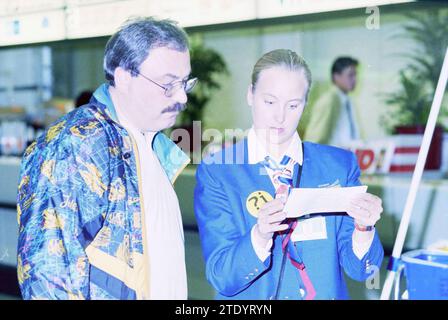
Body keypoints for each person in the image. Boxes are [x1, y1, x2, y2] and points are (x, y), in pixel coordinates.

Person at [17, 17, 197, 300]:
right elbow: (48, 273)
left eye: (185, 83)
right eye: (167, 84)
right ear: (124, 76)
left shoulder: (151, 146)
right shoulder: (77, 143)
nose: (182, 97)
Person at [194, 49, 383, 300]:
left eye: (293, 105)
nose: (280, 117)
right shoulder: (219, 171)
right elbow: (222, 277)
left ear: (305, 103)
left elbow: (362, 270)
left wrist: (364, 227)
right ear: (250, 95)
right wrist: (259, 236)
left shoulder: (338, 165)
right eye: (270, 102)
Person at [303, 56, 360, 146]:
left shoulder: (347, 101)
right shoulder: (329, 100)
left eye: (355, 75)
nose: (355, 79)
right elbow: (314, 139)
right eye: (350, 75)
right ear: (336, 76)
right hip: (332, 158)